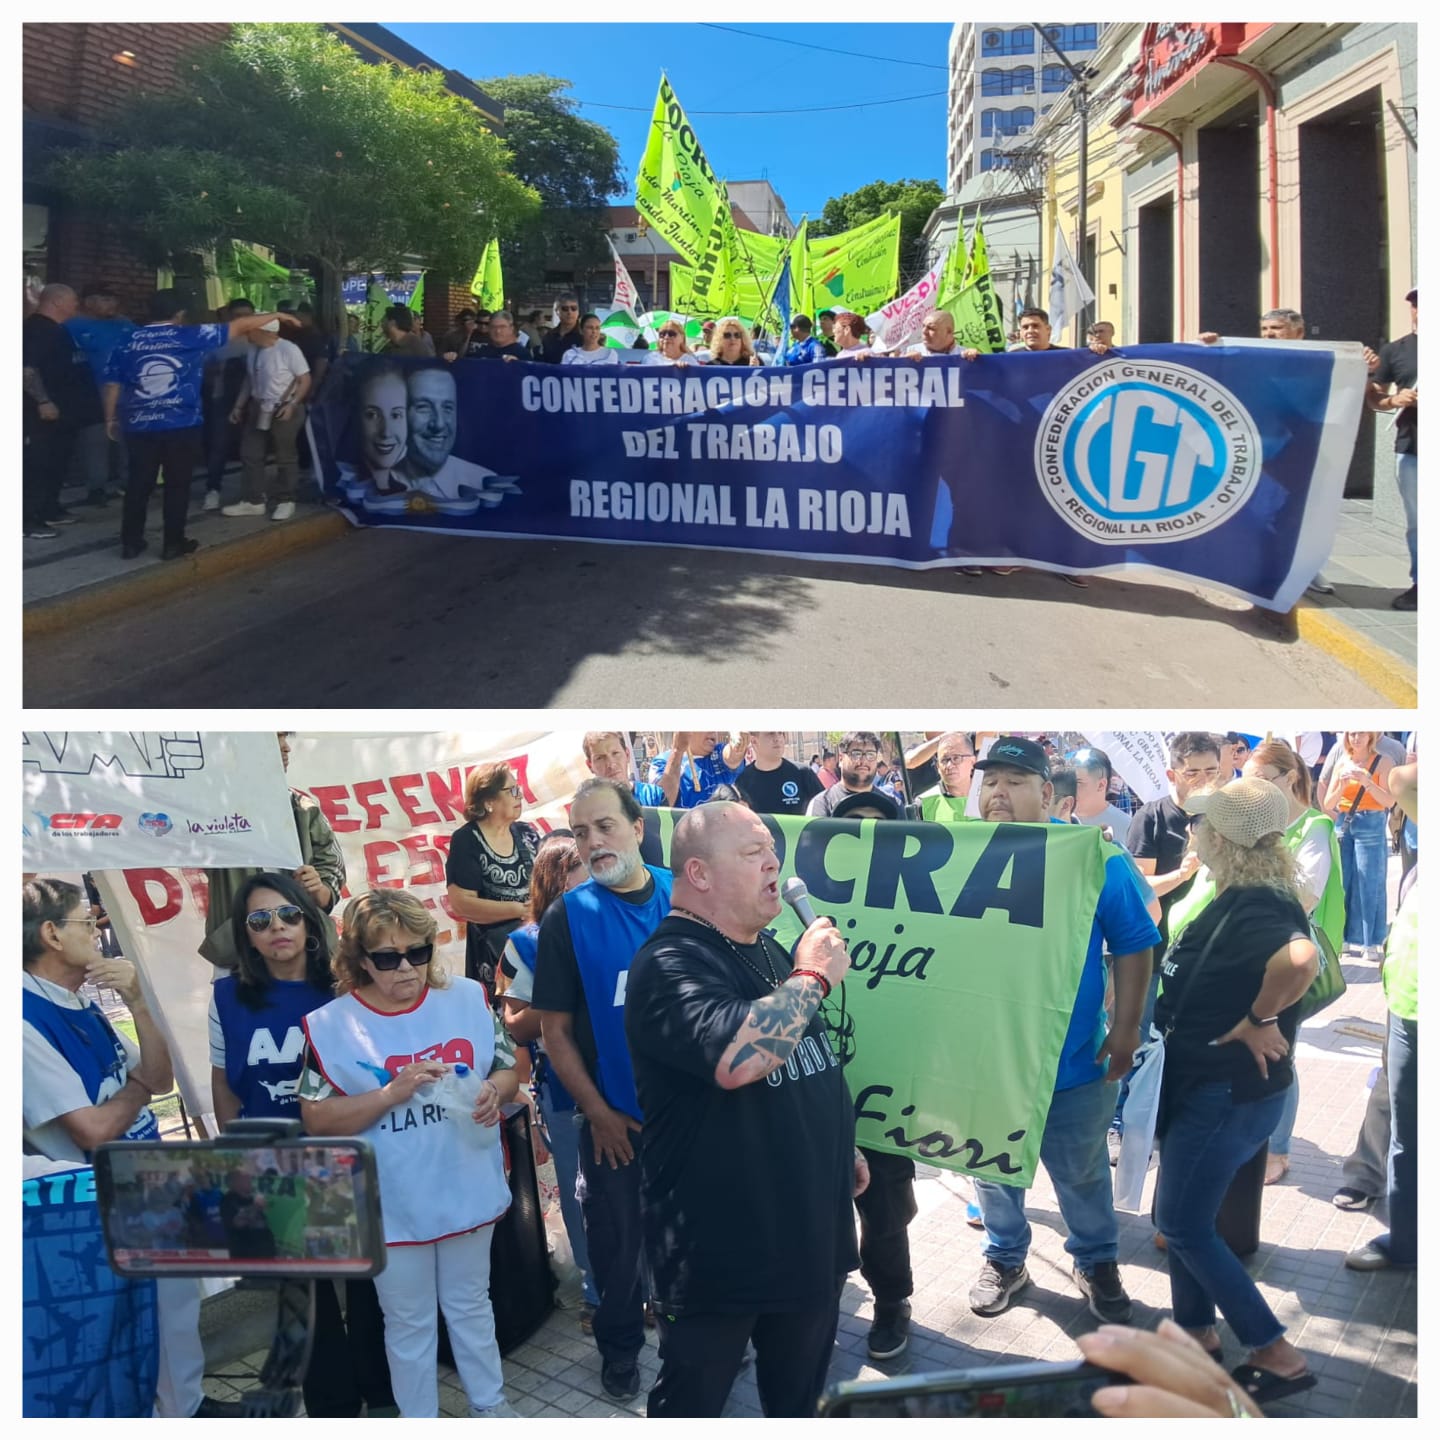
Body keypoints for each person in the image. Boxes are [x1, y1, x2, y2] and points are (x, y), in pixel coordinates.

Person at [624, 801, 864, 1417]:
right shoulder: (670, 962)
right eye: (753, 852)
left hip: (806, 1240)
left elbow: (802, 1055)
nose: (773, 864)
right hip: (721, 1258)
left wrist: (840, 1144)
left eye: (772, 850)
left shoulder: (771, 949)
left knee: (799, 1403)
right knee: (694, 1407)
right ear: (699, 874)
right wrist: (812, 977)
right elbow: (738, 1058)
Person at [299, 890, 519, 1419]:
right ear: (359, 960)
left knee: (470, 1304)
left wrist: (496, 1090)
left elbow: (510, 1068)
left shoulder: (466, 998)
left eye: (417, 952)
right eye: (387, 957)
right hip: (391, 1200)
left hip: (465, 1180)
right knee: (409, 1321)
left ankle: (491, 1407)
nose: (406, 968)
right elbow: (315, 1116)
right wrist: (390, 1094)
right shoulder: (331, 1024)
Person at [967, 738, 1159, 1324]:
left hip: (1072, 1063)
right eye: (990, 781)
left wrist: (1125, 1031)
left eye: (1014, 782)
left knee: (1081, 1171)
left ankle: (1097, 1260)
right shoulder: (956, 852)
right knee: (991, 1171)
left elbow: (1133, 941)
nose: (998, 793)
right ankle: (1005, 1257)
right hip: (984, 1063)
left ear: (1048, 794)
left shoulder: (1092, 857)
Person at [1153, 777, 1318, 1408]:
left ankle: (1275, 1353)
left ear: (1219, 837)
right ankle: (1196, 1334)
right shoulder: (1246, 890)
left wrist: (1262, 1016)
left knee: (1182, 1224)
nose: (1190, 831)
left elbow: (1300, 960)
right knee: (1187, 1214)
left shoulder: (1260, 906)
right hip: (1211, 1087)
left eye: (1199, 825)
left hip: (1223, 1095)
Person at [22, 877, 211, 1418]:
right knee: (131, 1331)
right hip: (96, 1202)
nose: (98, 924)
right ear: (53, 934)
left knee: (175, 1311)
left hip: (148, 1180)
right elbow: (93, 1128)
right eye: (88, 919)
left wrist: (137, 1002)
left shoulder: (79, 1000)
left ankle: (191, 1408)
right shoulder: (22, 1016)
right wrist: (137, 1089)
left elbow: (159, 1074)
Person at [530, 780, 674, 1401]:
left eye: (605, 826)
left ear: (637, 828)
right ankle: (619, 1352)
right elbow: (554, 1032)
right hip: (616, 1125)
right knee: (617, 1256)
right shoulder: (569, 916)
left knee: (691, 1246)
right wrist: (598, 1114)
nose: (593, 842)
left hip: (693, 1122)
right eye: (581, 831)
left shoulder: (686, 892)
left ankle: (693, 1345)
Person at [104, 289, 299, 560]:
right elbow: (241, 325)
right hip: (181, 424)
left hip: (138, 425)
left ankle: (131, 543)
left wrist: (110, 417)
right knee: (177, 484)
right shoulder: (190, 335)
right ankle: (173, 544)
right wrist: (276, 314)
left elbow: (112, 384)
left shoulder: (126, 340)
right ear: (179, 314)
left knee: (139, 484)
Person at [497, 838, 599, 1332]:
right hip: (564, 1090)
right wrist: (569, 989)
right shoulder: (525, 943)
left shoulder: (619, 922)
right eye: (579, 866)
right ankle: (597, 1290)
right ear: (554, 879)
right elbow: (514, 1025)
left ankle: (648, 1287)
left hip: (632, 1083)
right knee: (585, 1195)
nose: (592, 873)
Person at [1242, 740, 1346, 1185]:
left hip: (1289, 961)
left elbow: (1304, 898)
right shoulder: (1257, 824)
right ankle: (1258, 1139)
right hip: (1254, 956)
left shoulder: (1314, 828)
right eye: (1247, 781)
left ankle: (1278, 1150)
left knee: (1278, 1052)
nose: (1254, 790)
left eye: (1263, 780)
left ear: (1291, 779)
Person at [1344, 762, 1417, 1273]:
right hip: (1409, 1005)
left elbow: (1404, 779)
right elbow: (1405, 781)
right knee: (1406, 1135)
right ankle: (1407, 1242)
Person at [200, 731, 346, 970]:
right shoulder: (211, 808)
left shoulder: (302, 808)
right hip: (238, 955)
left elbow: (332, 867)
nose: (286, 748)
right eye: (274, 739)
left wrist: (319, 889)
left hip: (309, 953)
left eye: (284, 738)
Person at [444, 761, 541, 989]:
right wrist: (519, 910)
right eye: (512, 791)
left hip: (535, 946)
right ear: (488, 801)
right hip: (492, 955)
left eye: (520, 789)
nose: (520, 796)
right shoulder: (467, 839)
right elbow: (462, 904)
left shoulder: (527, 833)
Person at [220, 319, 311, 523]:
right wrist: (239, 405)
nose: (246, 335)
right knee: (250, 452)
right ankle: (254, 501)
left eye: (250, 331)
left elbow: (304, 379)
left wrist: (292, 405)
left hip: (284, 407)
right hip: (258, 406)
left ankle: (286, 499)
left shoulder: (288, 349)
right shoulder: (254, 350)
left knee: (285, 455)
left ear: (264, 332)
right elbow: (249, 379)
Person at [1317, 731, 1394, 961]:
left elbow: (1389, 801)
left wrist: (1367, 782)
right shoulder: (1342, 761)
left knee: (1369, 881)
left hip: (1371, 821)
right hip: (1345, 821)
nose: (1356, 738)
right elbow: (1329, 803)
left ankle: (1370, 941)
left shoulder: (1383, 761)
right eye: (1352, 734)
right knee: (1344, 881)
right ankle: (1345, 938)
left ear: (1371, 736)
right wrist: (1341, 785)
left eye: (1361, 733)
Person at [23, 283, 91, 536]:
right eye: (73, 300)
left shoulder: (59, 330)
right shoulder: (37, 330)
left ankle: (49, 508)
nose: (76, 305)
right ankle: (27, 520)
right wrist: (42, 401)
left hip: (63, 414)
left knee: (55, 462)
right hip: (39, 414)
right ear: (57, 302)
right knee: (36, 465)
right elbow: (27, 369)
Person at [1367, 288, 1417, 611]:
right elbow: (1373, 397)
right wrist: (1394, 401)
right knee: (1420, 522)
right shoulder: (1395, 350)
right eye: (1419, 304)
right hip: (1414, 448)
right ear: (1412, 310)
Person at [66, 283, 137, 506]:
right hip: (93, 393)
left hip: (128, 392)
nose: (112, 304)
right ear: (88, 302)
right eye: (105, 299)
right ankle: (96, 487)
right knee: (96, 441)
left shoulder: (125, 324)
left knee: (130, 439)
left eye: (113, 299)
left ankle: (129, 482)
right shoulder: (72, 326)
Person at [394, 365, 500, 501]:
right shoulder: (376, 487)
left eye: (447, 408)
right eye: (423, 407)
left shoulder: (484, 486)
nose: (439, 424)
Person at [200, 299, 254, 512]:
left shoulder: (258, 338)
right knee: (218, 447)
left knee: (251, 449)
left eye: (247, 314)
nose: (243, 318)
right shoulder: (217, 339)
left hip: (252, 400)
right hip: (221, 399)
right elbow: (204, 369)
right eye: (238, 315)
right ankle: (213, 489)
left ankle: (251, 492)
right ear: (229, 316)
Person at [350, 360, 410, 494]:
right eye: (372, 415)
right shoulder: (340, 484)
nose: (386, 432)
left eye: (396, 415)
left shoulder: (412, 488)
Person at [735, 730, 823, 817]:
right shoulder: (742, 780)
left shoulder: (803, 773)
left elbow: (825, 808)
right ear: (754, 741)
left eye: (780, 733)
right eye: (771, 733)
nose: (777, 738)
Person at [650, 731, 746, 808]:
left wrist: (738, 743)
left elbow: (733, 756)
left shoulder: (719, 753)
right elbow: (662, 803)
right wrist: (678, 751)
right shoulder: (662, 762)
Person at [806, 730, 884, 817]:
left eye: (870, 754)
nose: (863, 761)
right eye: (856, 754)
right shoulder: (821, 804)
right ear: (841, 759)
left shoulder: (893, 803)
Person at [582, 730, 667, 806]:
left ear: (627, 755)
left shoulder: (654, 796)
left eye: (615, 753)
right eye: (600, 758)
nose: (611, 765)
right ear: (590, 766)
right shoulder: (590, 812)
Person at [1070, 748, 1133, 838]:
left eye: (1078, 783)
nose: (1071, 788)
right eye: (1069, 781)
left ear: (1101, 785)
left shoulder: (1128, 827)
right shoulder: (1056, 822)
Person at [542, 296, 584, 363]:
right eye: (565, 308)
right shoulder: (549, 336)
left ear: (578, 311)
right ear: (557, 311)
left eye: (574, 308)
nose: (569, 312)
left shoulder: (585, 336)